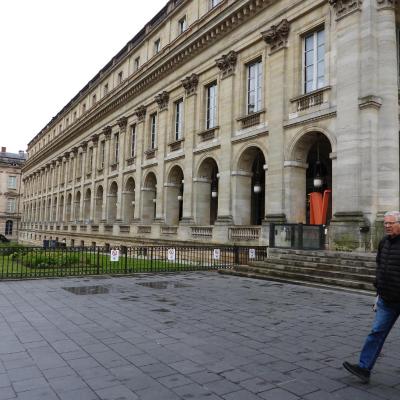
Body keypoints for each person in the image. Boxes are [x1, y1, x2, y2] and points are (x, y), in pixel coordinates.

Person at [343, 210, 400, 383]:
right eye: (385, 223)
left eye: (391, 223)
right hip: (386, 299)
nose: (387, 226)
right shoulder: (383, 242)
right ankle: (364, 368)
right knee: (376, 333)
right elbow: (380, 267)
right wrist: (378, 293)